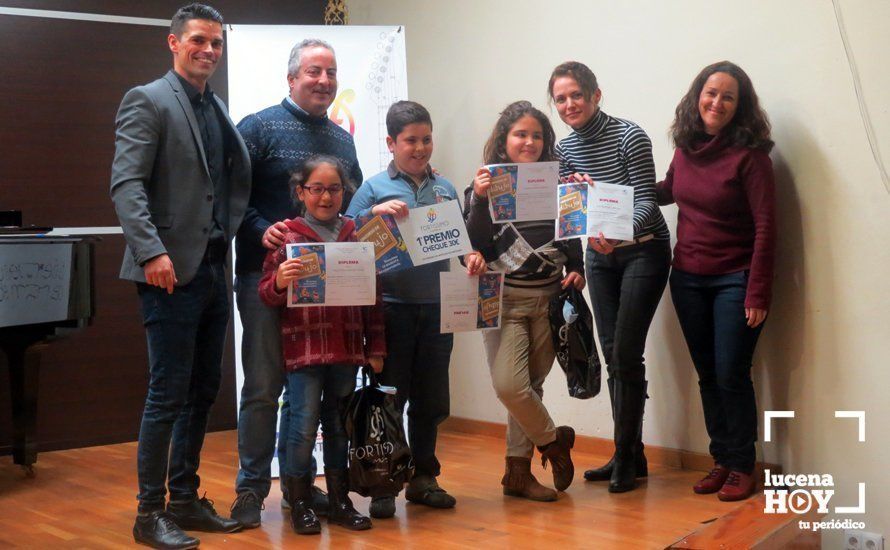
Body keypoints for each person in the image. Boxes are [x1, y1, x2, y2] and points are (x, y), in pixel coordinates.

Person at [109, 4, 249, 548]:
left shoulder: (215, 105)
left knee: (202, 392)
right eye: (197, 40)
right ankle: (149, 514)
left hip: (215, 266)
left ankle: (185, 501)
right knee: (167, 394)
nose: (208, 50)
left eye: (216, 42)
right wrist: (151, 252)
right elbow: (126, 185)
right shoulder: (147, 99)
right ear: (173, 43)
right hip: (168, 272)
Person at [231, 38, 362, 528]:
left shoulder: (343, 140)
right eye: (313, 72)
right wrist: (257, 228)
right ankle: (250, 488)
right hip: (266, 279)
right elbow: (229, 197)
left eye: (330, 72)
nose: (323, 81)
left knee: (315, 397)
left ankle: (299, 490)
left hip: (329, 292)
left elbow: (350, 209)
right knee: (265, 386)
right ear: (291, 79)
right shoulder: (258, 127)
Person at [345, 100, 486, 518]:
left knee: (431, 399)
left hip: (437, 306)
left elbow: (458, 241)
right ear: (391, 143)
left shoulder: (443, 187)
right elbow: (344, 236)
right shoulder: (372, 187)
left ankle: (424, 478)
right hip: (391, 309)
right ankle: (384, 483)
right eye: (410, 141)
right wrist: (373, 212)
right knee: (390, 398)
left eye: (426, 139)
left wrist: (471, 257)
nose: (420, 148)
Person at [549, 61, 671, 493]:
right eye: (560, 99)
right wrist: (580, 204)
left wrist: (615, 232)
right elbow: (572, 212)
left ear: (596, 95)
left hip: (643, 250)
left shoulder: (630, 136)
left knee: (625, 355)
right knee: (611, 351)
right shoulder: (564, 151)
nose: (568, 105)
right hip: (600, 257)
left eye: (575, 95)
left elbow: (648, 203)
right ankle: (629, 454)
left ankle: (625, 456)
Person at [656, 61, 775, 502]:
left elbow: (767, 227)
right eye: (711, 93)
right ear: (697, 96)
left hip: (735, 280)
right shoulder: (686, 147)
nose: (717, 102)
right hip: (686, 277)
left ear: (739, 107)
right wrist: (610, 196)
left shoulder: (751, 158)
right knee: (708, 375)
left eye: (728, 96)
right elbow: (668, 189)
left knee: (731, 374)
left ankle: (744, 464)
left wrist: (757, 289)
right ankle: (721, 460)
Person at [463, 100, 584, 501]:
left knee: (531, 386)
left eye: (536, 136)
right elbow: (475, 243)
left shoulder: (558, 184)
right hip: (503, 300)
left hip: (550, 300)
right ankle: (553, 442)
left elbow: (568, 235)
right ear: (503, 141)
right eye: (520, 134)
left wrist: (577, 267)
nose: (528, 142)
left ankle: (517, 474)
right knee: (510, 386)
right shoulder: (482, 185)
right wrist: (480, 199)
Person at [258, 155, 385, 534]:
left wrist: (375, 347)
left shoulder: (358, 235)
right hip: (304, 351)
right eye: (317, 188)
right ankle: (299, 501)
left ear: (345, 192)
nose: (326, 197)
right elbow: (266, 293)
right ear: (301, 192)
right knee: (301, 426)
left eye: (334, 188)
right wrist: (280, 280)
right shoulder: (288, 237)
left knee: (339, 427)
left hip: (346, 350)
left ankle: (340, 500)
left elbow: (375, 298)